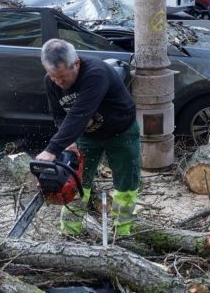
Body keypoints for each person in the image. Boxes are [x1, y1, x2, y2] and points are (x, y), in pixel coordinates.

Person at [36, 39, 141, 237]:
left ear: (75, 64)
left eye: (62, 77)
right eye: (52, 76)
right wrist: (68, 142)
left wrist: (52, 150)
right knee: (75, 183)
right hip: (86, 135)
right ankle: (69, 232)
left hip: (121, 131)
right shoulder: (50, 81)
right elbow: (59, 115)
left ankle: (123, 233)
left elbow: (79, 113)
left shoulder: (95, 73)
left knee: (126, 185)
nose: (58, 82)